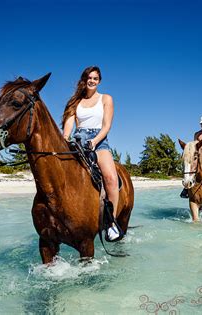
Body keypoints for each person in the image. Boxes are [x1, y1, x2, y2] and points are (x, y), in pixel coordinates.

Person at [62, 66, 121, 242]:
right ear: (84, 79)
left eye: (95, 78)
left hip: (99, 140)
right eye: (89, 78)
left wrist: (94, 142)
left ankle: (111, 223)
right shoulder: (74, 102)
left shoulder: (106, 99)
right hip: (78, 140)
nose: (92, 81)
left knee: (110, 177)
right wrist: (66, 139)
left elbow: (107, 126)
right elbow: (68, 126)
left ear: (99, 81)